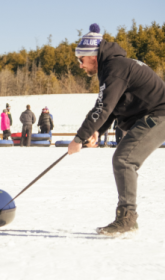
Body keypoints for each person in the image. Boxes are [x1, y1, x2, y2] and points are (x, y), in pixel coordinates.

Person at [68, 23, 165, 235]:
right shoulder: (113, 67)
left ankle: (127, 220)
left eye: (81, 59)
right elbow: (113, 106)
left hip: (159, 115)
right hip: (153, 116)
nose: (80, 65)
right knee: (124, 159)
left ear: (92, 56)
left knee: (125, 160)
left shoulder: (115, 69)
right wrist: (97, 131)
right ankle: (128, 219)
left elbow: (102, 107)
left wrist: (79, 138)